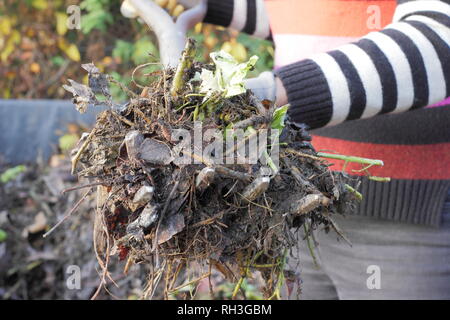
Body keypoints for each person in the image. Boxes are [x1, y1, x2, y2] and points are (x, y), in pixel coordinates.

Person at [129, 0, 450, 299]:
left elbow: (439, 40)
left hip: (406, 216)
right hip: (297, 198)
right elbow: (298, 12)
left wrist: (273, 94)